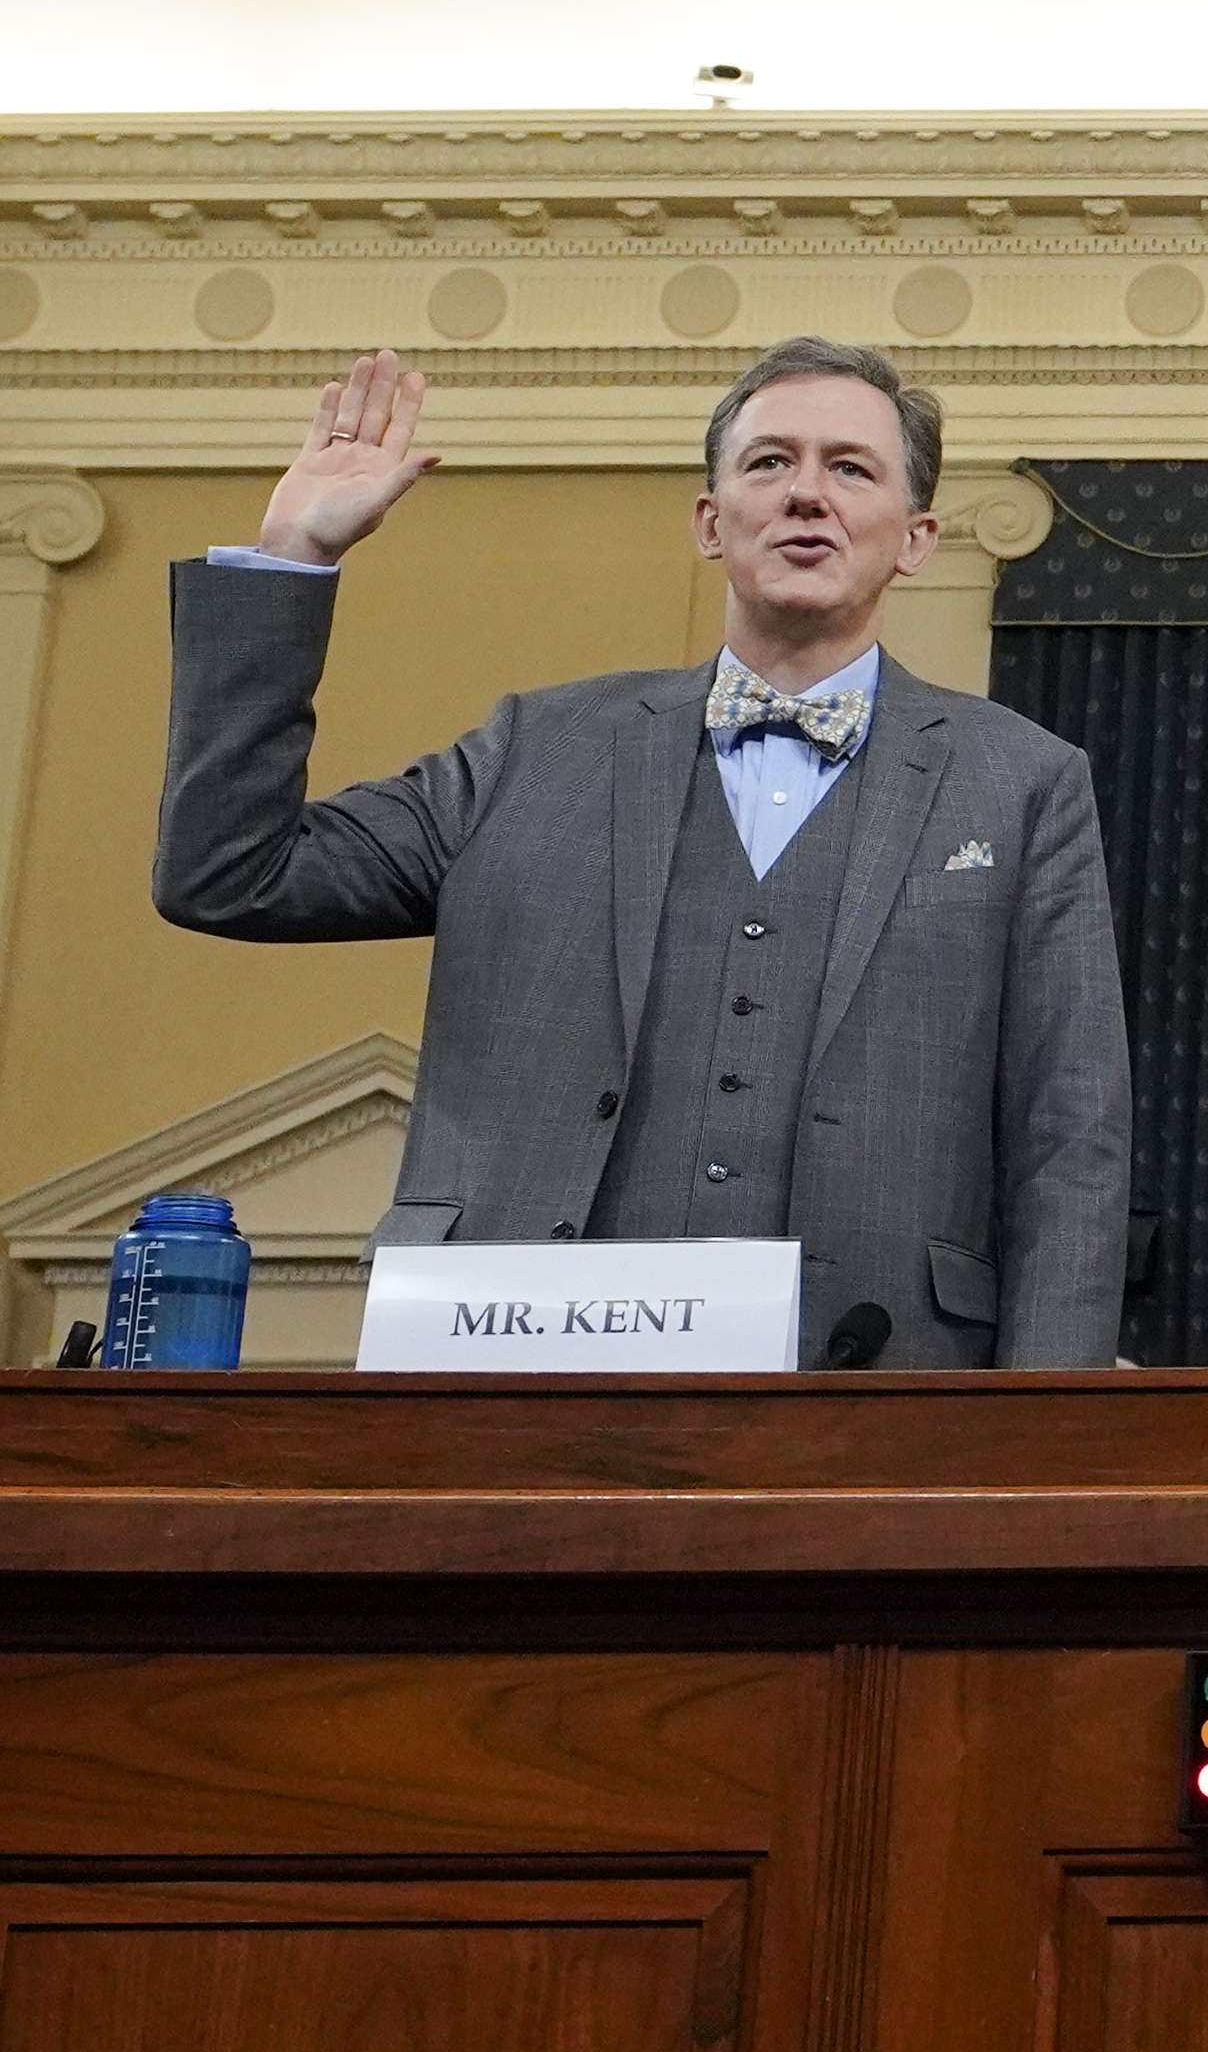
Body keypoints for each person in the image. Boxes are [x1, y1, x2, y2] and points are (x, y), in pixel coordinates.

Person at [154, 339, 1132, 1368]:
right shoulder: (537, 748)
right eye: (768, 463)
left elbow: (1072, 1137)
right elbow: (229, 871)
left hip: (873, 1395)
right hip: (518, 1382)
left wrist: (1045, 1428)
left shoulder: (1022, 783)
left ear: (917, 537)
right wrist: (293, 562)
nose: (807, 493)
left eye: (850, 467)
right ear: (710, 523)